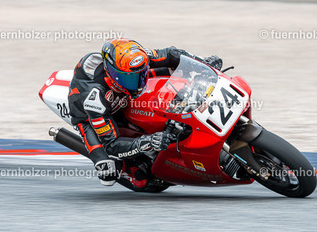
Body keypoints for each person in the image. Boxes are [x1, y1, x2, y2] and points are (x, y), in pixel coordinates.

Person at [68, 38, 222, 190]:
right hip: (88, 118)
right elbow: (111, 145)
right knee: (109, 172)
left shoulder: (138, 58)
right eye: (129, 79)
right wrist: (147, 142)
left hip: (122, 96)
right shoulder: (95, 100)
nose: (137, 84)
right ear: (112, 73)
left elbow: (171, 54)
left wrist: (202, 63)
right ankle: (127, 169)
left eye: (139, 75)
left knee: (176, 72)